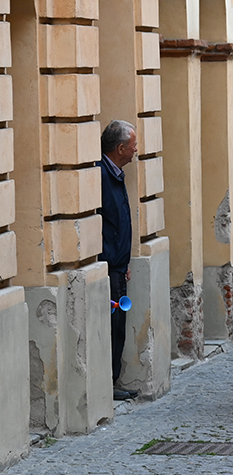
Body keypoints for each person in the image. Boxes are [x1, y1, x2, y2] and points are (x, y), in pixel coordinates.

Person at [98, 120, 138, 401]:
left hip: (118, 267)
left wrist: (124, 264)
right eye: (133, 146)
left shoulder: (115, 173)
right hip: (110, 267)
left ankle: (113, 380)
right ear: (121, 147)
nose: (136, 150)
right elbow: (102, 224)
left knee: (119, 326)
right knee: (112, 327)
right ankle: (108, 383)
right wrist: (113, 261)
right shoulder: (102, 174)